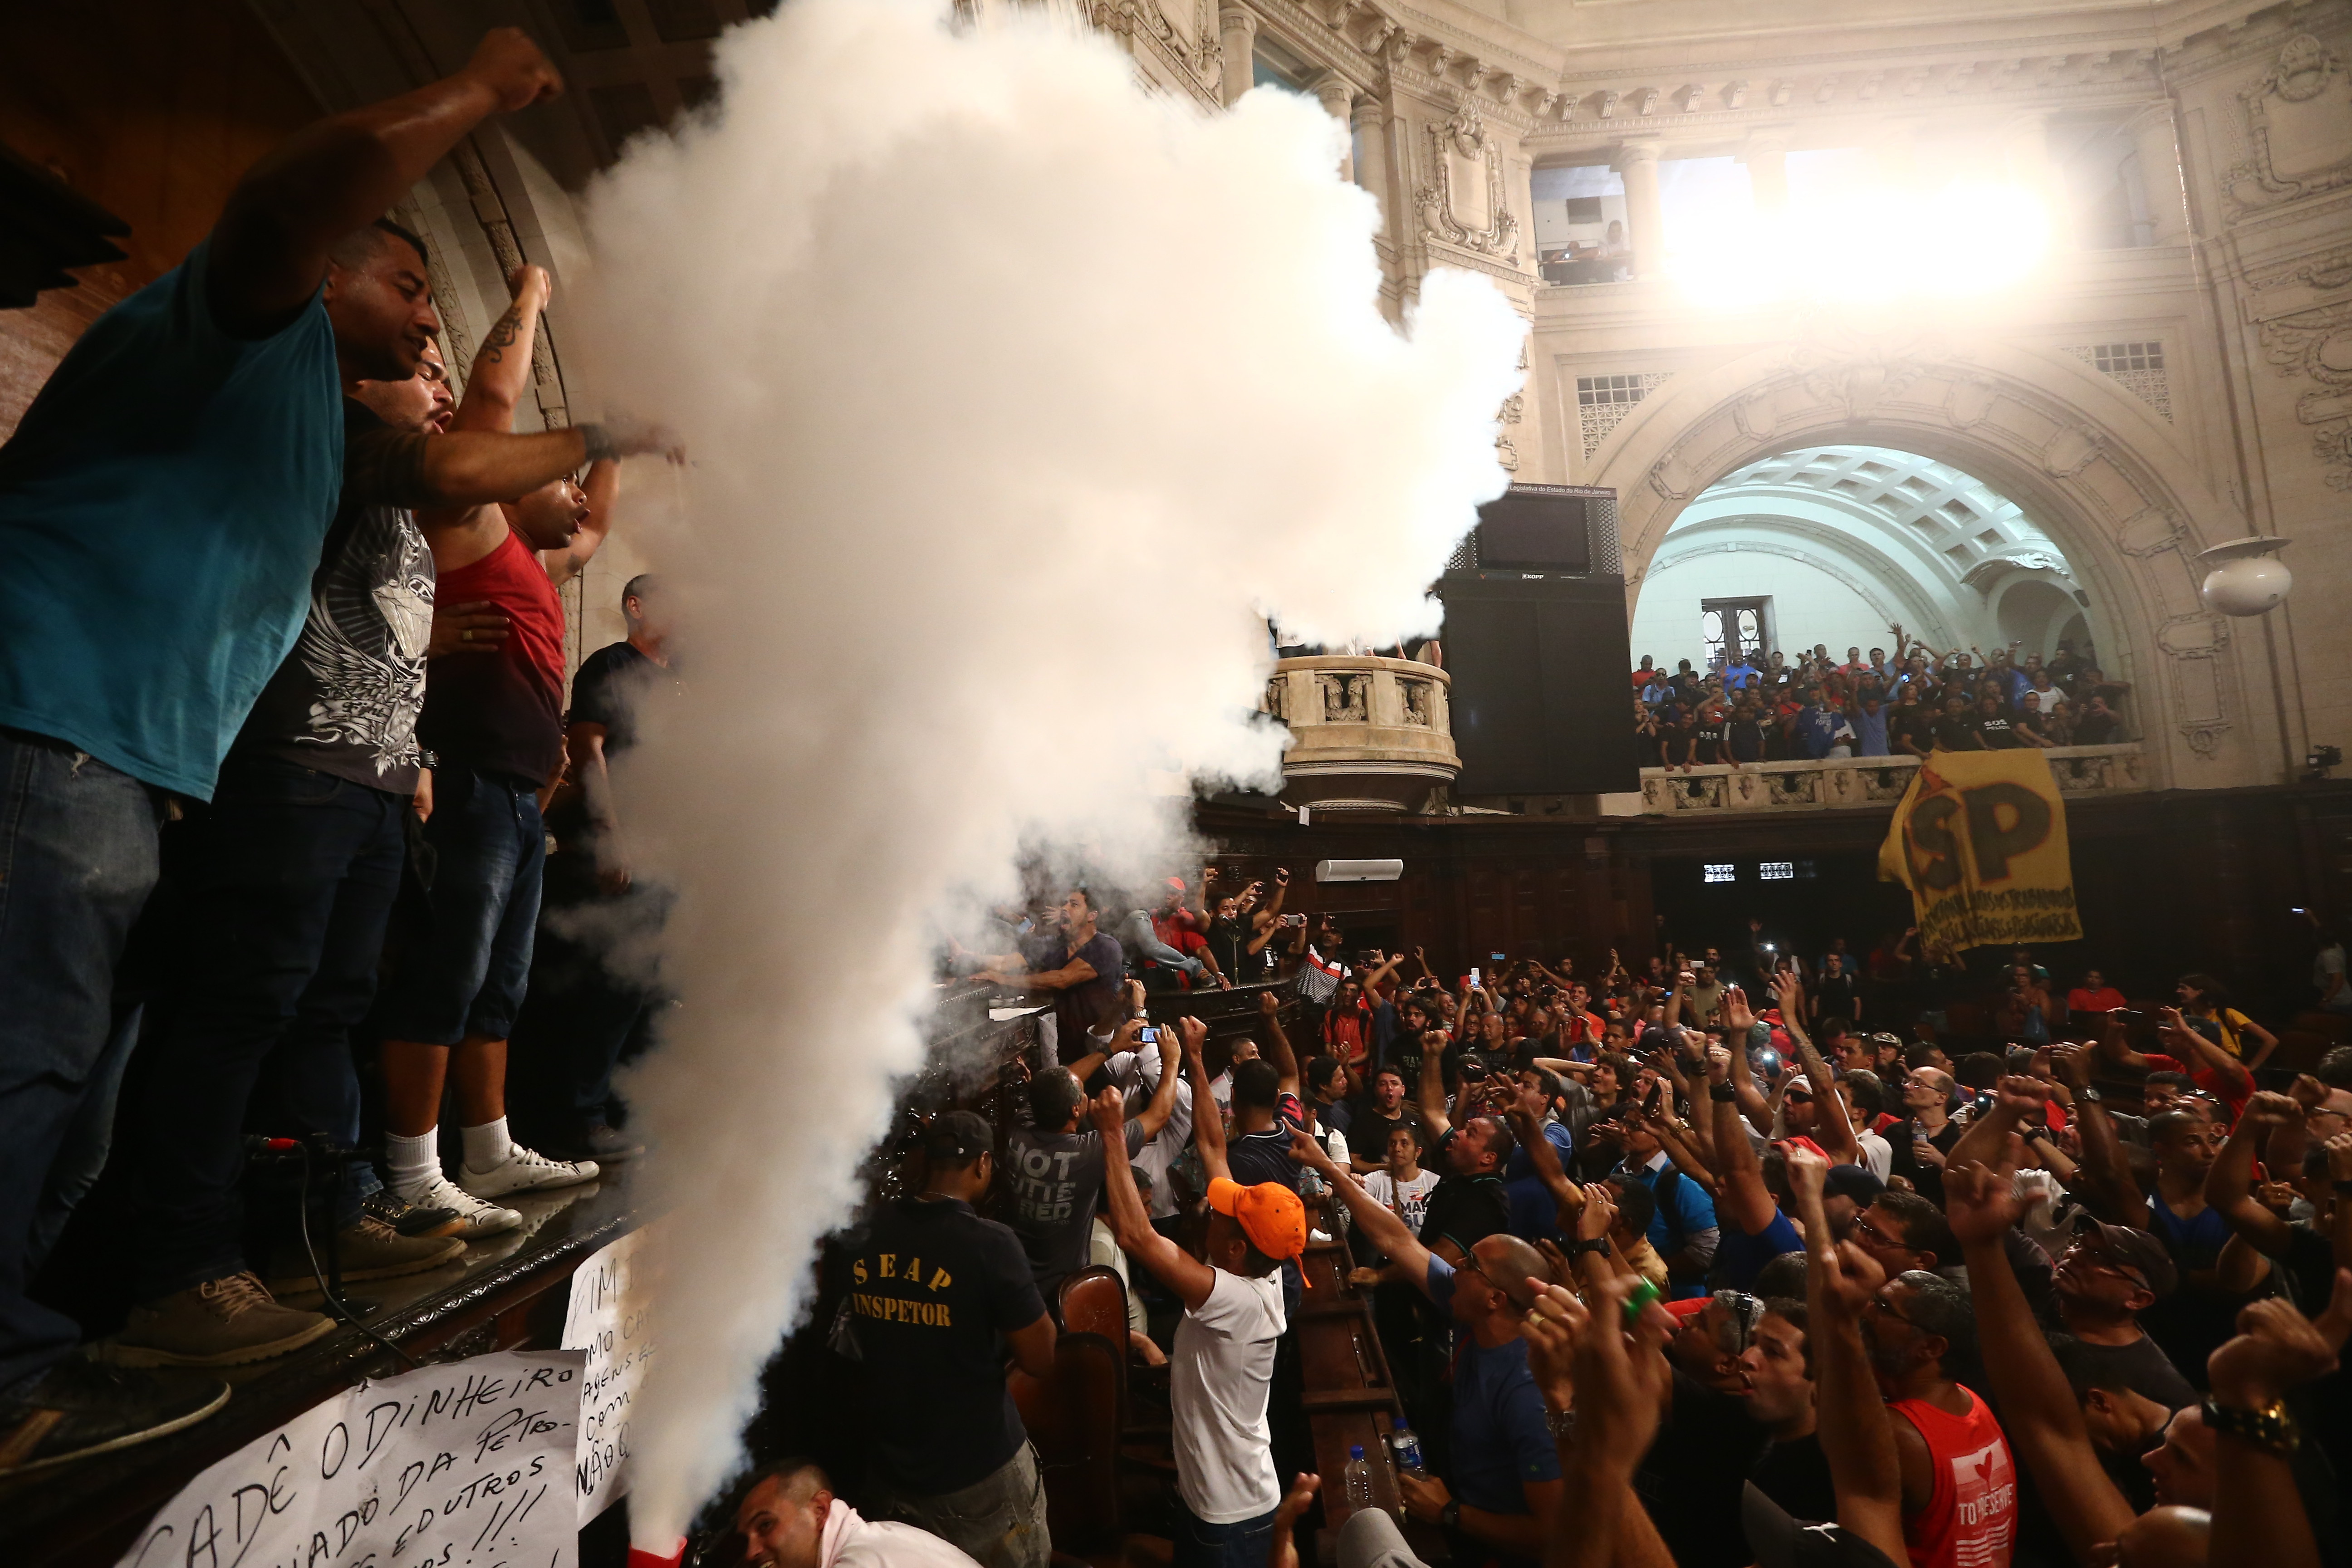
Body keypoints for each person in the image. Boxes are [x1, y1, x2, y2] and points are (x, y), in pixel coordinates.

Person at [0, 29, 586, 1465]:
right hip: (50, 722)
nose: (428, 323)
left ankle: (41, 1331)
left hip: (136, 770)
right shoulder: (241, 331)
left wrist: (608, 427)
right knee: (37, 1059)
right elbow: (279, 208)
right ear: (320, 276)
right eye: (406, 283)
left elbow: (464, 465)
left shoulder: (332, 440)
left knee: (78, 1078)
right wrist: (479, 97)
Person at [372, 259, 677, 1224]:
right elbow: (494, 405)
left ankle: (489, 1149)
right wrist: (533, 293)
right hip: (466, 784)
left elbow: (599, 519)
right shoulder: (470, 519)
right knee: (447, 977)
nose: (579, 505)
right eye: (559, 485)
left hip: (515, 796)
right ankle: (413, 1171)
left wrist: (616, 440)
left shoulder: (539, 570)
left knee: (498, 983)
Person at [1293, 1133, 1562, 1567]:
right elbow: (1398, 1241)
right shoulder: (1472, 1316)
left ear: (1496, 1298)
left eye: (1470, 1265)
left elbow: (1553, 1533)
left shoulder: (1530, 1392)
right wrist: (1327, 1168)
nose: (1456, 1267)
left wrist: (1450, 1513)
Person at [1091, 1083, 1304, 1568]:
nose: (1211, 1208)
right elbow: (1213, 1148)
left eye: (1225, 1214)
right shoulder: (1251, 1267)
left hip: (1228, 1517)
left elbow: (1135, 1234)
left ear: (1235, 1248)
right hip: (1217, 1495)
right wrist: (1195, 1055)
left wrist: (1111, 1135)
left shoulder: (1238, 1299)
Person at [512, 573, 682, 1163]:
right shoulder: (610, 666)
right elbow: (588, 750)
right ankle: (577, 1117)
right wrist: (611, 834)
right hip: (624, 849)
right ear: (635, 607)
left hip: (672, 849)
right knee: (612, 985)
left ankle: (624, 1110)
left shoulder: (685, 677)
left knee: (652, 987)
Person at [842, 1112, 1055, 1568]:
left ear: (925, 1161)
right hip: (977, 1475)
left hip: (891, 1470)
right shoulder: (991, 1245)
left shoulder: (866, 1231)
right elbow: (1041, 1357)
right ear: (983, 1164)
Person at [1002, 1020, 1180, 1300]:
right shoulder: (1089, 1152)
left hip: (1015, 1275)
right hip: (1065, 1289)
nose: (1086, 1093)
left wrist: (1110, 1049)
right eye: (1083, 1093)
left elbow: (1057, 1084)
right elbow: (1158, 1116)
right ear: (1076, 1110)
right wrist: (1172, 1061)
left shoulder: (1020, 1128)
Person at [737, 1458, 985, 1568]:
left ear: (819, 1511)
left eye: (766, 1525)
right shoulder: (872, 1537)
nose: (751, 1552)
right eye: (745, 1539)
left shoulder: (862, 1560)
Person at [973, 889, 1125, 1055]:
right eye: (1064, 904)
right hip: (1071, 1045)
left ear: (1091, 916)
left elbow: (1062, 979)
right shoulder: (1051, 945)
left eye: (1074, 905)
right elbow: (1003, 963)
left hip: (1108, 1045)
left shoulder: (1106, 947)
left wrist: (1003, 979)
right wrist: (967, 959)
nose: (1064, 908)